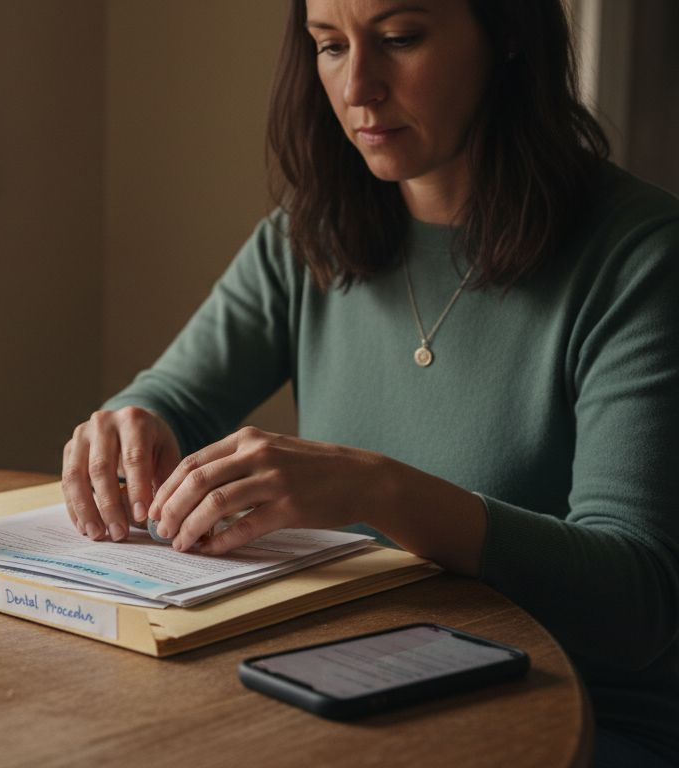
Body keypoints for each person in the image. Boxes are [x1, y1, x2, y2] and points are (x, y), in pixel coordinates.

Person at [60, 0, 679, 764]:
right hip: (342, 688)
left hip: (575, 718)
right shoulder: (305, 237)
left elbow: (636, 600)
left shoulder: (642, 259)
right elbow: (176, 399)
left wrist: (378, 491)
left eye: (399, 39)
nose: (358, 86)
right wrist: (132, 418)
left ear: (509, 38)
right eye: (328, 46)